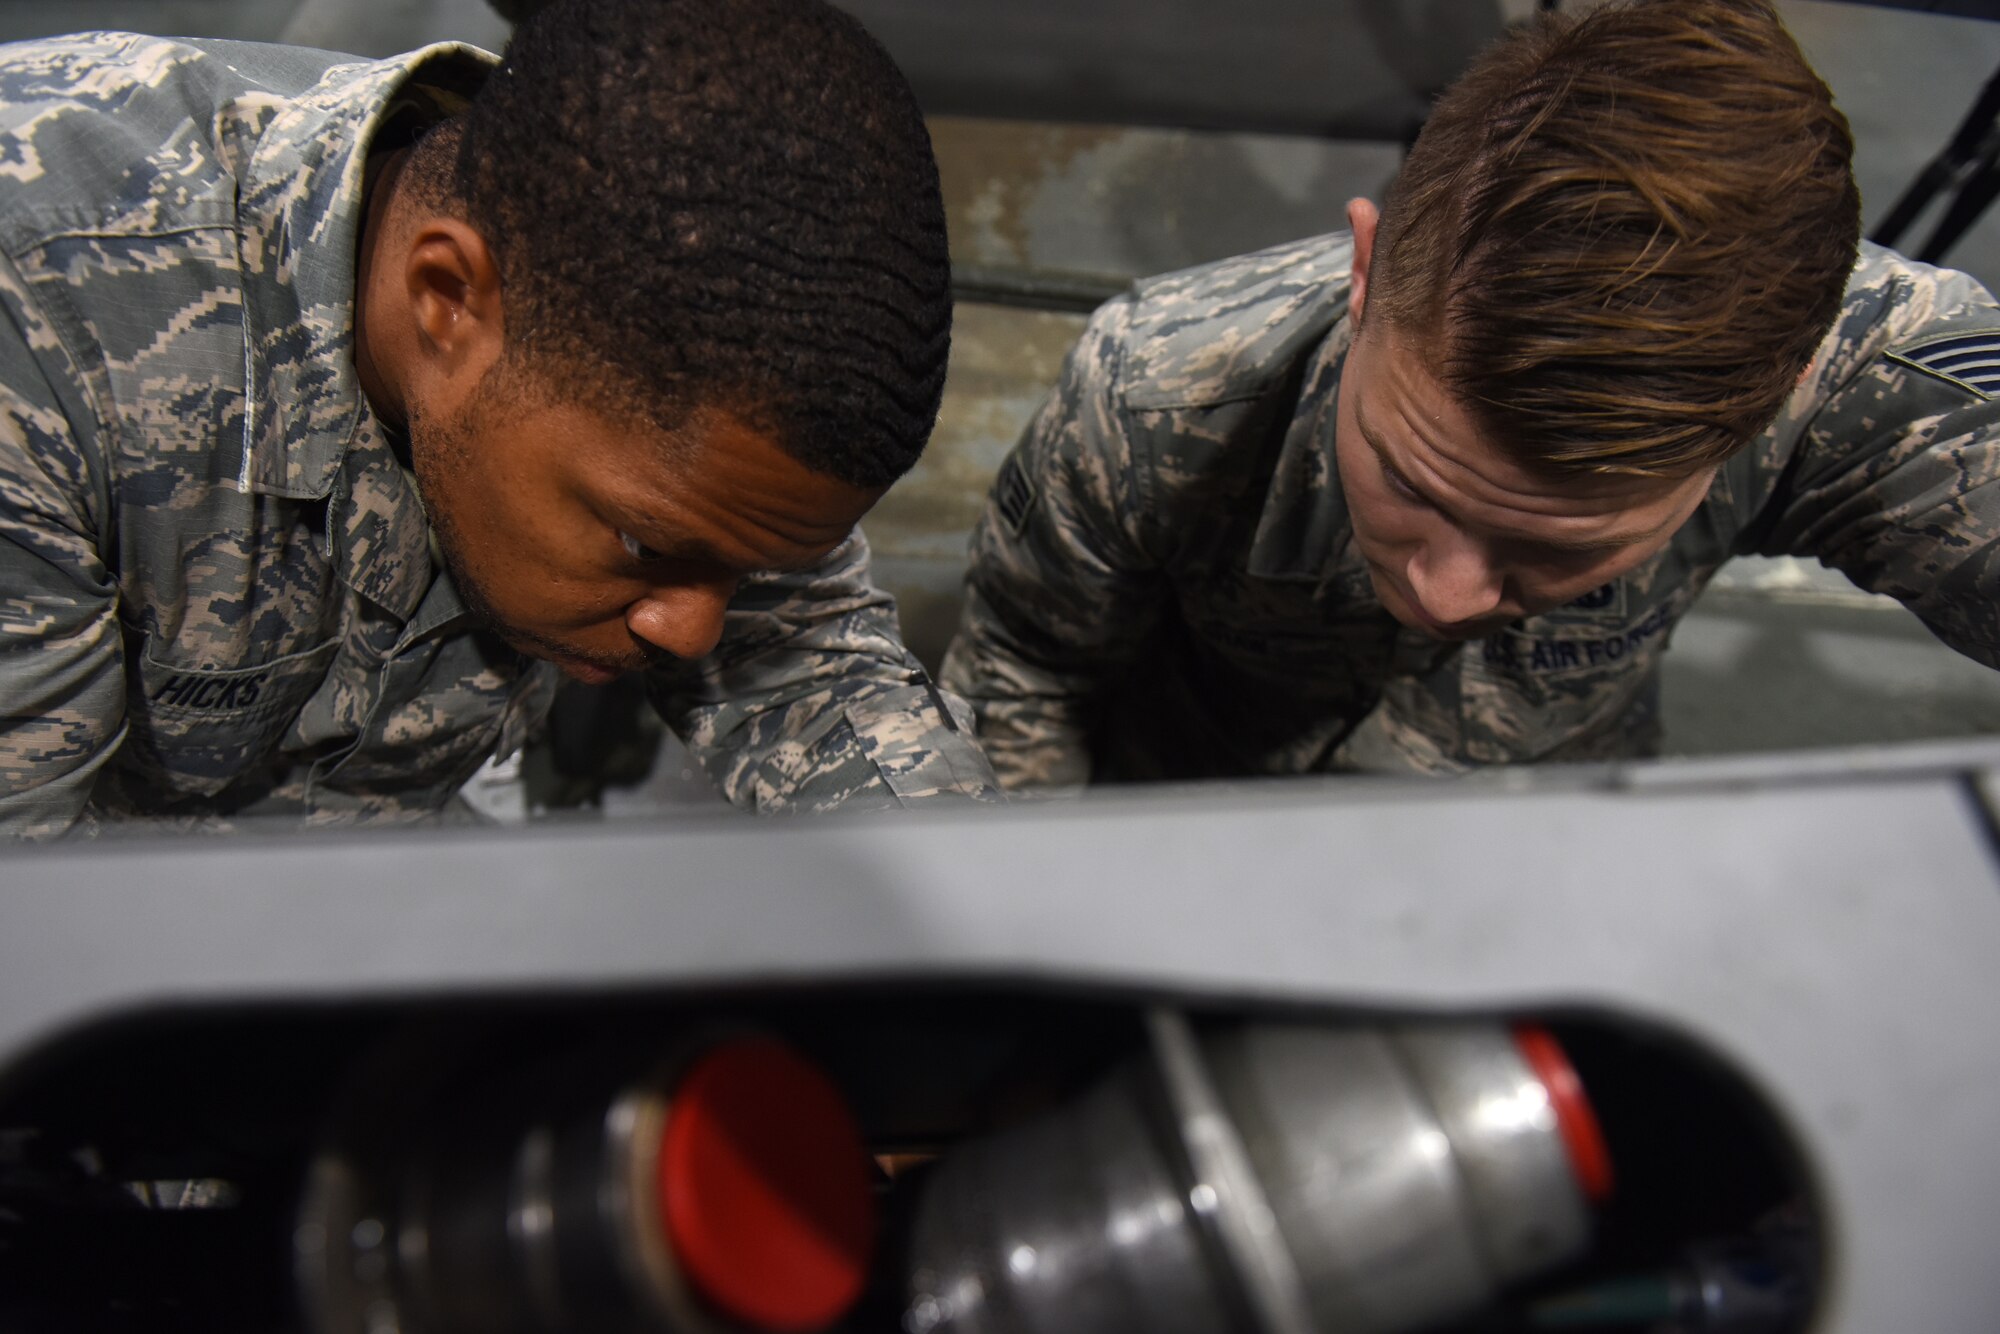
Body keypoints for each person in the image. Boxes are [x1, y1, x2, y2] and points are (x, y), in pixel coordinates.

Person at [0, 0, 1000, 835]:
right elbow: (44, 931)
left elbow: (815, 680)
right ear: (447, 297)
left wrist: (983, 943)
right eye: (641, 544)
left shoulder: (671, 350)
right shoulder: (45, 318)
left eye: (745, 571)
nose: (695, 630)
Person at [941, 0, 2000, 788]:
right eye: (1410, 478)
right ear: (1363, 274)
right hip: (1197, 788)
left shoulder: (1851, 370)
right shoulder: (1151, 390)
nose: (1445, 595)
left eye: (1557, 543)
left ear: (1781, 393)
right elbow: (1026, 672)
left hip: (1538, 810)